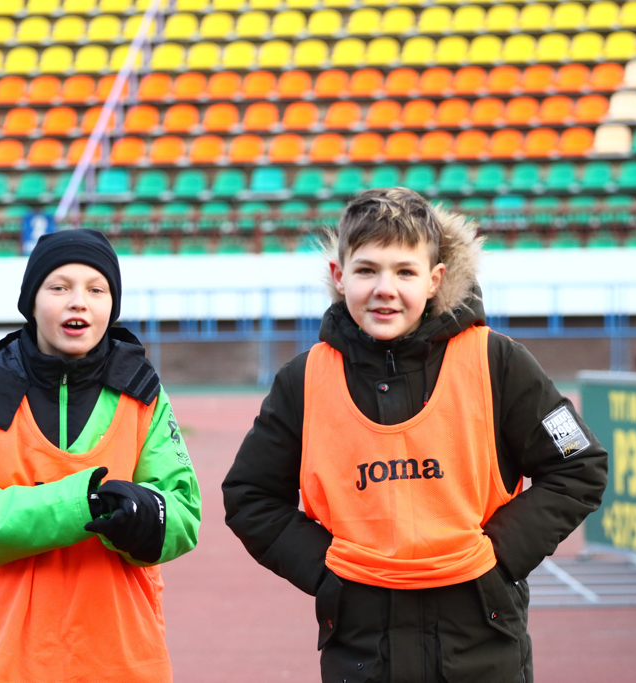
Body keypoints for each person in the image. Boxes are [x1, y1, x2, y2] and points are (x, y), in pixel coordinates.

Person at [222, 188, 608, 683]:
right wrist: (327, 571)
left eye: (405, 272)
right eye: (367, 270)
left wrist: (498, 557)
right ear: (339, 276)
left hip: (481, 640)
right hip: (362, 649)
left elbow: (579, 463)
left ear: (434, 280)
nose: (385, 288)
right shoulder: (303, 380)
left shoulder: (498, 362)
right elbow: (250, 495)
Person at [0, 229, 201, 683]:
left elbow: (183, 512)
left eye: (96, 289)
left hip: (123, 659)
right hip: (8, 660)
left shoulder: (142, 392)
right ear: (31, 301)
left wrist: (143, 513)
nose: (78, 302)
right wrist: (74, 506)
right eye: (59, 287)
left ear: (112, 305)